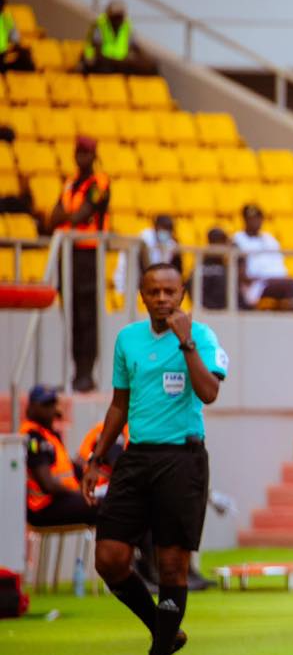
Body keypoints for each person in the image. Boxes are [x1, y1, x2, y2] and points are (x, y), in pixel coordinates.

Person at [82, 264, 228, 655]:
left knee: (171, 565)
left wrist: (185, 343)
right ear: (141, 295)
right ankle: (164, 630)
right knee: (108, 557)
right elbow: (118, 404)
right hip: (136, 455)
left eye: (170, 291)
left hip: (182, 459)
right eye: (153, 291)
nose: (162, 298)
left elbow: (209, 393)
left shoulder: (201, 336)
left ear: (183, 292)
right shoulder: (127, 339)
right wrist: (96, 458)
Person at [42, 135, 110, 392]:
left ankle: (86, 373)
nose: (82, 158)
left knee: (87, 316)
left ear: (94, 156)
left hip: (89, 255)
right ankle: (75, 373)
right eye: (79, 153)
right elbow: (53, 217)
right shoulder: (70, 183)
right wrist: (66, 217)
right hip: (68, 254)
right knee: (71, 314)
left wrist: (66, 217)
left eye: (87, 153)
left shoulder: (99, 183)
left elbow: (83, 213)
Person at [22, 385, 97, 528]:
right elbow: (48, 485)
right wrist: (78, 493)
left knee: (113, 501)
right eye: (45, 404)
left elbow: (68, 469)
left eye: (52, 403)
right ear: (31, 407)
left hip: (59, 500)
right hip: (43, 507)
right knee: (107, 507)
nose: (50, 409)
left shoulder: (50, 435)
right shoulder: (32, 438)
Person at [233, 204, 293, 311]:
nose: (256, 222)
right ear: (245, 220)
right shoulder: (237, 240)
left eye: (258, 218)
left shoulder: (269, 239)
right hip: (257, 285)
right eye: (252, 219)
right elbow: (243, 275)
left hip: (277, 280)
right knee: (291, 287)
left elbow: (279, 264)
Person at [81, 0, 157, 76]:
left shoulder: (126, 26)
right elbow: (97, 49)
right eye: (116, 17)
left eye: (120, 17)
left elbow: (135, 47)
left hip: (119, 63)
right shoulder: (100, 25)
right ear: (109, 15)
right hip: (98, 62)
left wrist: (146, 60)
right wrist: (118, 61)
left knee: (150, 67)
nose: (118, 20)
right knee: (105, 66)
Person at [114, 214, 180, 297]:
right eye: (163, 228)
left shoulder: (170, 244)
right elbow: (145, 266)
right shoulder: (145, 238)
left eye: (168, 229)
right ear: (156, 227)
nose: (165, 232)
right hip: (130, 280)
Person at [0, 0, 35, 73]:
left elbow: (15, 40)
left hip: (2, 55)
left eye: (2, 0)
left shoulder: (6, 19)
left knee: (25, 57)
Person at [199, 228, 232, 311]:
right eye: (223, 242)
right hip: (209, 311)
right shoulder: (201, 264)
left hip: (225, 310)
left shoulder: (227, 265)